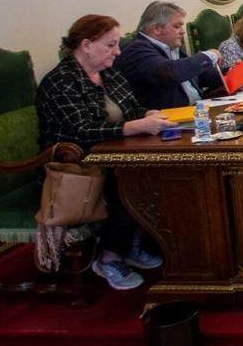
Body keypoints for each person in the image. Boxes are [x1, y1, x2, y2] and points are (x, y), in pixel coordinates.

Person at [36, 15, 176, 290]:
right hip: (76, 167)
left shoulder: (109, 73)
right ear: (86, 45)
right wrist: (131, 127)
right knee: (129, 183)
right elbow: (82, 131)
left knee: (161, 172)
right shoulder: (62, 82)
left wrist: (146, 115)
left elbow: (132, 108)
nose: (118, 52)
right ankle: (109, 257)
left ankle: (132, 243)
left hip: (116, 155)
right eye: (111, 45)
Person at [115, 1, 223, 110]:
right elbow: (172, 72)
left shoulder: (170, 47)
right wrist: (210, 55)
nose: (182, 32)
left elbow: (199, 77)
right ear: (157, 29)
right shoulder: (136, 50)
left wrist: (233, 72)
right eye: (177, 26)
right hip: (171, 119)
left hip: (198, 109)